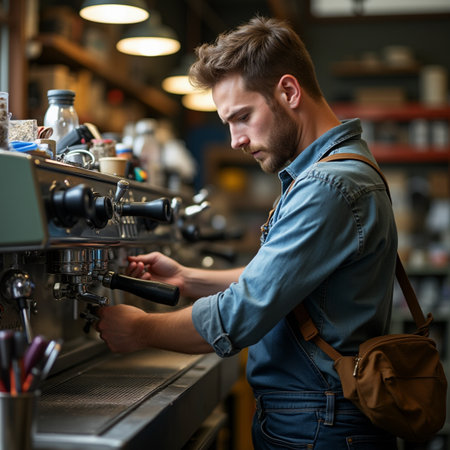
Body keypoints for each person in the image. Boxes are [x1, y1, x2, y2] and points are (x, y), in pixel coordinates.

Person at [97, 16, 398, 449]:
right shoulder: (335, 170)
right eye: (228, 123)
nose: (236, 139)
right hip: (320, 417)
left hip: (318, 423)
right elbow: (280, 280)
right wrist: (187, 279)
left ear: (289, 92)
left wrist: (141, 329)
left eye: (243, 117)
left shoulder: (328, 186)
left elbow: (239, 315)